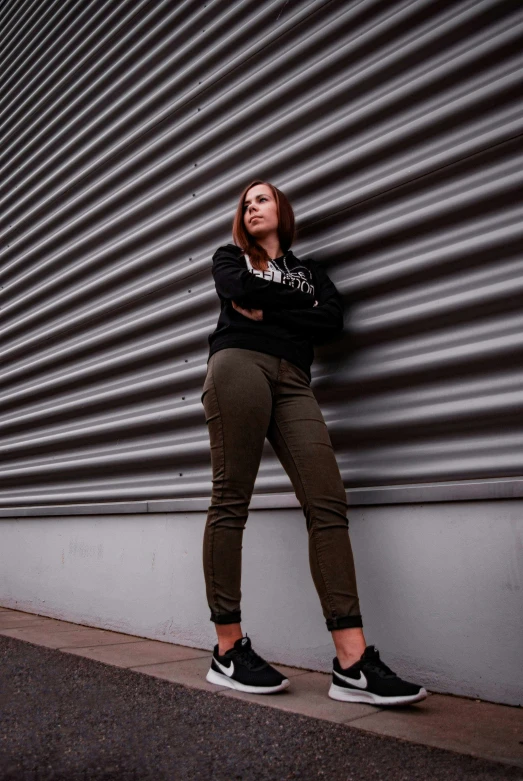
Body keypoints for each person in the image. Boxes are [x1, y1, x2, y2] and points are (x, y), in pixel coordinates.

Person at [200, 180, 427, 706]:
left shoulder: (310, 274)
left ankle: (352, 664)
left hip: (296, 379)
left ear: (282, 209)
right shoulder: (229, 256)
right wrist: (271, 305)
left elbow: (332, 319)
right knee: (230, 500)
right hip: (238, 365)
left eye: (262, 198)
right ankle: (227, 650)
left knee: (327, 502)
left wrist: (269, 305)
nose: (252, 206)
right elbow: (241, 292)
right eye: (245, 202)